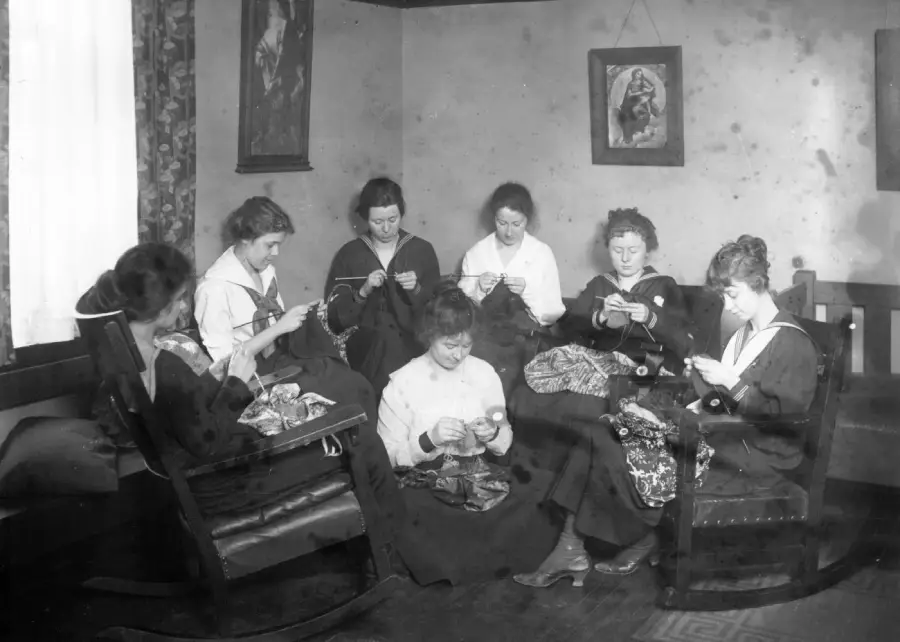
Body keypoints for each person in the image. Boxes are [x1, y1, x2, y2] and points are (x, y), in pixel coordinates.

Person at [513, 235, 819, 588]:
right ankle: (573, 548)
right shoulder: (745, 334)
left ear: (758, 284)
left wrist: (730, 383)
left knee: (613, 446)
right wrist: (703, 378)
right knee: (600, 433)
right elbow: (726, 401)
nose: (728, 305)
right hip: (723, 440)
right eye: (724, 297)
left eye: (732, 294)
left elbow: (783, 421)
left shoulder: (792, 343)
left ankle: (629, 539)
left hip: (753, 460)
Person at [75, 243, 407, 553]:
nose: (182, 307)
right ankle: (390, 545)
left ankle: (371, 534)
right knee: (360, 437)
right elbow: (207, 443)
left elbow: (187, 418)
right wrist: (235, 381)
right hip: (227, 485)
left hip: (205, 474)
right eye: (179, 299)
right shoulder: (164, 365)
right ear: (159, 306)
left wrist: (222, 381)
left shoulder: (129, 349)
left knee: (325, 401)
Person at [376, 282, 557, 586]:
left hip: (475, 473)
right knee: (416, 511)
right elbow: (387, 456)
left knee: (537, 491)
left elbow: (504, 433)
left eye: (467, 346)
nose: (459, 355)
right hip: (423, 479)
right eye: (450, 345)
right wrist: (428, 439)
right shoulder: (402, 383)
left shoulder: (484, 374)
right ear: (430, 335)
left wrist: (492, 433)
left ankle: (474, 558)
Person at [507, 208, 693, 475]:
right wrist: (602, 317)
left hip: (645, 369)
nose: (626, 258)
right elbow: (570, 330)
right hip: (597, 364)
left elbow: (682, 340)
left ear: (647, 250)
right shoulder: (599, 285)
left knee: (590, 407)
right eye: (618, 250)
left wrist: (650, 317)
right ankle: (536, 475)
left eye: (634, 250)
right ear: (608, 249)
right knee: (528, 396)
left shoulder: (664, 286)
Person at [324, 177, 441, 398]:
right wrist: (363, 292)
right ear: (365, 218)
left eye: (393, 219)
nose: (386, 228)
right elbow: (335, 320)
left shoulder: (421, 250)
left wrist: (416, 289)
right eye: (377, 222)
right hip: (367, 349)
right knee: (385, 346)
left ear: (402, 214)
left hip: (414, 342)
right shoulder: (350, 254)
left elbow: (438, 310)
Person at [194, 196, 321, 374]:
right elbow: (224, 363)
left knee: (339, 377)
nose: (276, 253)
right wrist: (280, 328)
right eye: (270, 245)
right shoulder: (214, 288)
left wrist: (303, 316)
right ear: (245, 238)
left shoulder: (266, 271)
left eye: (278, 245)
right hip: (248, 378)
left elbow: (275, 326)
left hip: (278, 362)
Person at [458, 182, 566, 328]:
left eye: (516, 224)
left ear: (527, 219)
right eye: (502, 223)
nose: (509, 232)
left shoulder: (541, 253)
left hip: (528, 340)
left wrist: (526, 293)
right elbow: (460, 312)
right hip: (484, 339)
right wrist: (479, 290)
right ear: (493, 218)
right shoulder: (476, 254)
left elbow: (554, 313)